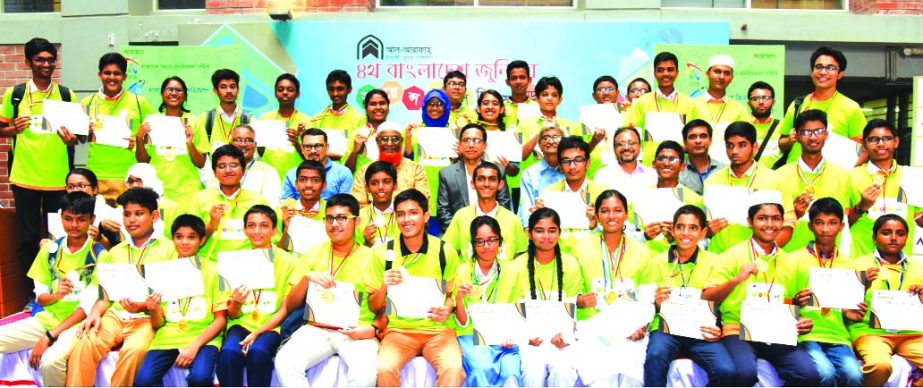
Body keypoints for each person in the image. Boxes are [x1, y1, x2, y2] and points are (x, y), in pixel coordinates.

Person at [701, 190, 820, 386]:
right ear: (750, 221)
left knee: (808, 374)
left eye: (775, 219)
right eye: (762, 218)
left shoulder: (790, 261)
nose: (770, 225)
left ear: (782, 222)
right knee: (744, 373)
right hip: (737, 330)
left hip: (777, 332)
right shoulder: (732, 256)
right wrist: (735, 280)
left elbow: (794, 303)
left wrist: (801, 320)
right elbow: (707, 298)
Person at [66, 187, 177, 387]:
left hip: (148, 319)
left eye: (138, 214)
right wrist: (94, 314)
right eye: (127, 215)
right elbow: (105, 296)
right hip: (115, 316)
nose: (131, 220)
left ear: (154, 216)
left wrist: (144, 306)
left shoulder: (170, 250)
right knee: (84, 344)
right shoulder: (114, 252)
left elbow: (173, 296)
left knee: (133, 351)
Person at [275, 193, 378, 387]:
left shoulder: (372, 257)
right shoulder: (314, 252)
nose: (334, 224)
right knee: (285, 362)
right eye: (329, 218)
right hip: (317, 328)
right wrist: (307, 279)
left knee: (364, 377)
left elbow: (381, 306)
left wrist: (372, 330)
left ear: (356, 221)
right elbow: (290, 304)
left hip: (355, 331)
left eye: (341, 218)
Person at [0, 192, 101, 387]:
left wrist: (49, 336)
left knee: (50, 362)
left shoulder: (99, 254)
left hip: (77, 326)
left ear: (92, 220)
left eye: (81, 220)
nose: (73, 225)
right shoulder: (50, 250)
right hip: (47, 319)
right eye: (68, 218)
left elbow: (86, 309)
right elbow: (41, 298)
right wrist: (57, 294)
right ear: (60, 217)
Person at [368, 189, 464, 387]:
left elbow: (450, 296)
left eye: (413, 212)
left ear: (426, 216)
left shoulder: (445, 251)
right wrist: (384, 286)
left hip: (438, 331)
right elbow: (373, 306)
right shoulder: (382, 253)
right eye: (401, 214)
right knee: (385, 368)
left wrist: (447, 309)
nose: (406, 219)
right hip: (399, 331)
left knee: (453, 369)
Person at [0, 38, 78, 279]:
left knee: (58, 237)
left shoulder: (66, 95)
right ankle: (31, 291)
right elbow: (2, 128)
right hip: (25, 177)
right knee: (28, 238)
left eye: (50, 60)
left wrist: (70, 138)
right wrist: (14, 128)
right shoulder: (15, 94)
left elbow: (77, 137)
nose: (46, 64)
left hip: (57, 177)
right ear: (28, 62)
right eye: (40, 59)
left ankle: (55, 285)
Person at [644, 205, 736, 387]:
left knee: (727, 371)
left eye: (693, 228)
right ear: (673, 230)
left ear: (703, 233)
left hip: (701, 331)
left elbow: (717, 303)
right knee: (655, 357)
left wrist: (717, 327)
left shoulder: (714, 262)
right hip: (666, 329)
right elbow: (645, 304)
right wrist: (656, 303)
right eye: (680, 227)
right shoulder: (656, 261)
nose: (686, 233)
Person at [133, 215, 227, 387]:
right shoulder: (161, 271)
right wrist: (153, 309)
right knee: (143, 380)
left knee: (200, 378)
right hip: (168, 337)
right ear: (172, 239)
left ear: (202, 240)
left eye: (191, 237)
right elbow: (157, 324)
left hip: (203, 337)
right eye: (179, 237)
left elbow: (220, 319)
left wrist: (195, 346)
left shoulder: (215, 270)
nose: (184, 242)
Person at [570, 190, 651, 387]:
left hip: (630, 328)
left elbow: (648, 297)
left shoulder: (642, 252)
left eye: (617, 210)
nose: (611, 216)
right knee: (601, 380)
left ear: (627, 215)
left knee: (631, 376)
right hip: (592, 326)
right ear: (596, 215)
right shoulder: (579, 248)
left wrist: (643, 327)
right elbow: (569, 292)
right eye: (605, 211)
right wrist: (579, 300)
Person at [217, 205, 299, 387]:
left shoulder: (289, 261)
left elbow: (286, 308)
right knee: (229, 353)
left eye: (264, 226)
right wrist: (236, 304)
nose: (257, 231)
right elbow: (231, 315)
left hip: (272, 326)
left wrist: (257, 333)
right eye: (251, 226)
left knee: (259, 352)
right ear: (245, 230)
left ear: (274, 230)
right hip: (240, 324)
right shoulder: (232, 260)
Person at [788, 199, 863, 387]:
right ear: (810, 226)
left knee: (853, 375)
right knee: (825, 372)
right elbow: (781, 301)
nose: (825, 229)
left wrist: (849, 314)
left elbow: (847, 311)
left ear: (842, 226)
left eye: (832, 223)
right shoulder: (793, 260)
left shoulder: (850, 265)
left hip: (837, 335)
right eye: (819, 223)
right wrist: (795, 302)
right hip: (806, 335)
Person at [845, 214, 923, 387]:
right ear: (874, 237)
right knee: (880, 365)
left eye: (900, 233)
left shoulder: (919, 267)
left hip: (910, 334)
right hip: (870, 332)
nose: (894, 238)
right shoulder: (857, 265)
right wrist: (862, 285)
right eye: (886, 233)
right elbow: (844, 307)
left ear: (907, 238)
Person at [454, 216, 525, 387]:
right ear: (473, 244)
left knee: (511, 373)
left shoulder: (511, 271)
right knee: (481, 368)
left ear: (500, 242)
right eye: (480, 242)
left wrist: (512, 335)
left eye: (492, 240)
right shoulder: (462, 271)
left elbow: (518, 311)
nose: (486, 247)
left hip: (504, 339)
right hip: (472, 338)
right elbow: (462, 323)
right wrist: (459, 299)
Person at [515, 208, 582, 387]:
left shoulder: (570, 264)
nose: (546, 236)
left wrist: (565, 336)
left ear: (559, 232)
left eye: (552, 230)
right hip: (529, 341)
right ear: (529, 234)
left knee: (564, 371)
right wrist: (527, 337)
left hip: (561, 339)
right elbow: (511, 313)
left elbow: (572, 308)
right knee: (532, 373)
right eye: (539, 230)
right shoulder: (515, 267)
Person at [83, 52, 155, 205]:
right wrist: (85, 132)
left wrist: (136, 143)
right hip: (96, 175)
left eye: (117, 73)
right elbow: (77, 139)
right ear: (99, 75)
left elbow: (153, 140)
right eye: (107, 73)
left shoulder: (139, 103)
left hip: (128, 177)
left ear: (124, 77)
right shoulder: (87, 103)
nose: (112, 77)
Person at [774, 110, 850, 252]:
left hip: (830, 260)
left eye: (819, 131)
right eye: (806, 132)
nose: (813, 137)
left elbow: (846, 220)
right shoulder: (779, 176)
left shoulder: (842, 174)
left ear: (826, 134)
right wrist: (794, 213)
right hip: (788, 256)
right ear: (796, 136)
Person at [777, 46, 867, 165]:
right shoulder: (797, 104)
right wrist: (790, 140)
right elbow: (781, 144)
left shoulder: (851, 107)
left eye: (830, 68)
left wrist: (845, 175)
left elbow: (863, 149)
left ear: (839, 74)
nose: (823, 72)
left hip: (831, 178)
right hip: (794, 175)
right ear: (811, 72)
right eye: (818, 67)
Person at [846, 119, 922, 257]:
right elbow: (838, 224)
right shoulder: (850, 176)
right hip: (861, 262)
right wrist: (861, 207)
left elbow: (920, 220)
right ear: (864, 144)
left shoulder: (910, 176)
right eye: (874, 139)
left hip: (901, 266)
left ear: (896, 142)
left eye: (886, 138)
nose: (880, 144)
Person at [704, 121, 779, 253]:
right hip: (718, 257)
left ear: (755, 147)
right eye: (730, 146)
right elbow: (703, 227)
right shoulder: (712, 181)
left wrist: (763, 252)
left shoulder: (773, 180)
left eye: (742, 145)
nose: (734, 151)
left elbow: (786, 226)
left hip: (756, 257)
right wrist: (707, 231)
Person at [188, 144, 268, 262]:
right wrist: (211, 225)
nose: (228, 170)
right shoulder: (200, 198)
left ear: (243, 170)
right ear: (214, 172)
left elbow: (268, 240)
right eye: (222, 166)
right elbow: (188, 241)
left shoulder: (258, 201)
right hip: (208, 265)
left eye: (234, 165)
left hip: (246, 265)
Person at [135, 76, 208, 200]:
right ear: (162, 94)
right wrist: (139, 138)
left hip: (188, 191)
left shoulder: (195, 122)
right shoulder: (152, 122)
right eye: (169, 90)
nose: (174, 93)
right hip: (157, 190)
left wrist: (190, 143)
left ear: (185, 96)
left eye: (179, 90)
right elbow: (143, 162)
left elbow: (201, 163)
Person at [533, 136, 606, 252]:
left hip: (593, 254)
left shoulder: (603, 194)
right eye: (566, 161)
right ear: (560, 166)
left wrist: (596, 225)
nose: (572, 166)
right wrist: (537, 218)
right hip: (558, 255)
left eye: (578, 160)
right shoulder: (548, 194)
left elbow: (614, 231)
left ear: (587, 163)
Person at [444, 162, 528, 262]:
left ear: (500, 184)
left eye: (492, 179)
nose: (486, 184)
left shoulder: (512, 220)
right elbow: (449, 252)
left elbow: (520, 257)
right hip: (467, 276)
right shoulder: (461, 216)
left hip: (504, 276)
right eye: (481, 179)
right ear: (473, 184)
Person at [624, 52, 698, 164]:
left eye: (670, 69)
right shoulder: (642, 101)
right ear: (654, 73)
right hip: (650, 165)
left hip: (679, 166)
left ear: (677, 73)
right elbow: (628, 133)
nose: (665, 74)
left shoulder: (689, 103)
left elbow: (696, 137)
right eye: (660, 70)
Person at [437, 123, 512, 232]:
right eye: (466, 140)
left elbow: (504, 205)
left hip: (493, 233)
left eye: (477, 140)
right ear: (460, 145)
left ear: (485, 146)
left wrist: (490, 232)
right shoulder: (447, 174)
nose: (471, 145)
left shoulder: (497, 171)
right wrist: (462, 234)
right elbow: (443, 211)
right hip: (458, 233)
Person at [641, 141, 705, 253]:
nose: (666, 163)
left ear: (682, 166)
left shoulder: (695, 200)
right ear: (654, 164)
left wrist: (677, 238)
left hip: (678, 262)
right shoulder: (641, 195)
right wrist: (644, 235)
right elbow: (629, 232)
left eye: (673, 159)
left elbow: (702, 240)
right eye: (661, 158)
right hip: (645, 260)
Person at [350, 121, 430, 208]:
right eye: (384, 139)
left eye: (395, 139)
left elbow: (423, 204)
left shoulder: (415, 169)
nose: (389, 143)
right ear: (377, 142)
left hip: (406, 220)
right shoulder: (364, 171)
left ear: (401, 141)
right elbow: (359, 206)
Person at [405, 89, 455, 222]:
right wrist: (408, 136)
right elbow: (408, 159)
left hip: (446, 188)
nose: (435, 108)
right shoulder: (415, 130)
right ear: (424, 107)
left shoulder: (454, 131)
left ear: (446, 107)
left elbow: (458, 162)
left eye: (439, 103)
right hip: (421, 186)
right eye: (430, 104)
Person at [208, 124, 281, 208]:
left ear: (255, 145)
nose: (243, 144)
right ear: (230, 143)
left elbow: (271, 206)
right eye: (238, 140)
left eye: (248, 140)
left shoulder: (268, 172)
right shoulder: (219, 169)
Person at [259, 73, 312, 180]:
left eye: (290, 89)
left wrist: (297, 143)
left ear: (298, 94)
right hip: (268, 176)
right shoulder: (265, 118)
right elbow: (259, 151)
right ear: (275, 93)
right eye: (280, 89)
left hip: (297, 177)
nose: (285, 93)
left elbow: (312, 157)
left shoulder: (307, 121)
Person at [517, 76, 580, 165]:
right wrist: (541, 134)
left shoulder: (570, 125)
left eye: (554, 95)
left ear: (560, 100)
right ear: (537, 99)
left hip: (563, 175)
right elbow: (519, 156)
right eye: (545, 94)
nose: (550, 98)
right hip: (533, 177)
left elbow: (577, 155)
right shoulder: (524, 124)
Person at [280, 127, 353, 201]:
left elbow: (346, 206)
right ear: (302, 149)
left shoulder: (343, 173)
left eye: (318, 146)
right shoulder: (291, 174)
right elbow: (284, 206)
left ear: (327, 147)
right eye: (308, 146)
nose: (313, 151)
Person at [477, 89, 521, 208]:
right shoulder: (470, 134)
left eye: (495, 103)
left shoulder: (509, 136)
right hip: (472, 190)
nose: (490, 107)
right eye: (486, 103)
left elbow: (515, 171)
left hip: (500, 193)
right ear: (478, 108)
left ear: (502, 109)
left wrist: (508, 167)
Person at [311, 69, 365, 160]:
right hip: (321, 171)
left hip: (349, 172)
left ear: (349, 89)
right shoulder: (317, 118)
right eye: (331, 89)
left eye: (340, 89)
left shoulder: (360, 119)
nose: (335, 94)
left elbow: (360, 153)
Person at [518, 125, 565, 227]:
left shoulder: (570, 171)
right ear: (539, 145)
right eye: (546, 138)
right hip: (537, 227)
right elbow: (526, 211)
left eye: (556, 138)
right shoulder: (529, 174)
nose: (551, 141)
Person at [595, 127, 657, 201]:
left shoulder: (653, 175)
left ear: (640, 146)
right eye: (621, 144)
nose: (626, 147)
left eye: (631, 143)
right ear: (614, 148)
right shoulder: (602, 175)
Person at [689, 55, 750, 130]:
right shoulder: (691, 105)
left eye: (727, 73)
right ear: (707, 74)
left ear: (732, 78)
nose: (721, 77)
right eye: (717, 72)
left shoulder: (740, 110)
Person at [278, 160, 327, 252]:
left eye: (315, 180)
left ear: (324, 185)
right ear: (296, 184)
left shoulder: (332, 211)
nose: (308, 185)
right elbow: (275, 253)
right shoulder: (283, 209)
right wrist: (286, 228)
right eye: (303, 180)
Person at [65, 168, 119, 249]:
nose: (76, 190)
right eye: (71, 187)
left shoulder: (111, 214)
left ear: (95, 189)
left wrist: (100, 238)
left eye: (81, 186)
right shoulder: (62, 213)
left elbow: (116, 251)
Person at [124, 162, 180, 239]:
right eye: (130, 181)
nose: (134, 185)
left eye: (138, 181)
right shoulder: (124, 207)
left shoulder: (170, 207)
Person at [201, 68, 251, 150]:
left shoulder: (249, 119)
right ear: (215, 91)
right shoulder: (205, 119)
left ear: (238, 89)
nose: (229, 91)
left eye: (232, 87)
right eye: (223, 87)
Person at [344, 89, 392, 173]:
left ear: (388, 106)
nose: (378, 107)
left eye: (382, 103)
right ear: (366, 108)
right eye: (373, 104)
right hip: (361, 184)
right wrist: (355, 151)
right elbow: (347, 170)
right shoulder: (357, 134)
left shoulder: (396, 132)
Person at [355, 161, 401, 248]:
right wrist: (366, 243)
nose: (380, 187)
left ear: (395, 185)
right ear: (367, 188)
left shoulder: (403, 216)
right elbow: (352, 256)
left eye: (386, 182)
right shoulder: (358, 217)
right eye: (374, 183)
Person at [678, 119, 726, 195]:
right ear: (685, 142)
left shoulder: (724, 169)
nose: (698, 141)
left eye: (703, 136)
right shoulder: (677, 171)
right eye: (692, 137)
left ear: (710, 140)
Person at [748, 81, 784, 168]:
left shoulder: (783, 125)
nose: (761, 102)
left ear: (773, 102)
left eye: (766, 98)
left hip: (776, 178)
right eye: (756, 98)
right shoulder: (743, 126)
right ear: (749, 104)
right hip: (749, 177)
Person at [503, 59, 536, 129]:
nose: (518, 82)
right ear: (507, 82)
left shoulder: (537, 107)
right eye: (514, 78)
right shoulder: (501, 108)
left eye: (522, 77)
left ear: (529, 80)